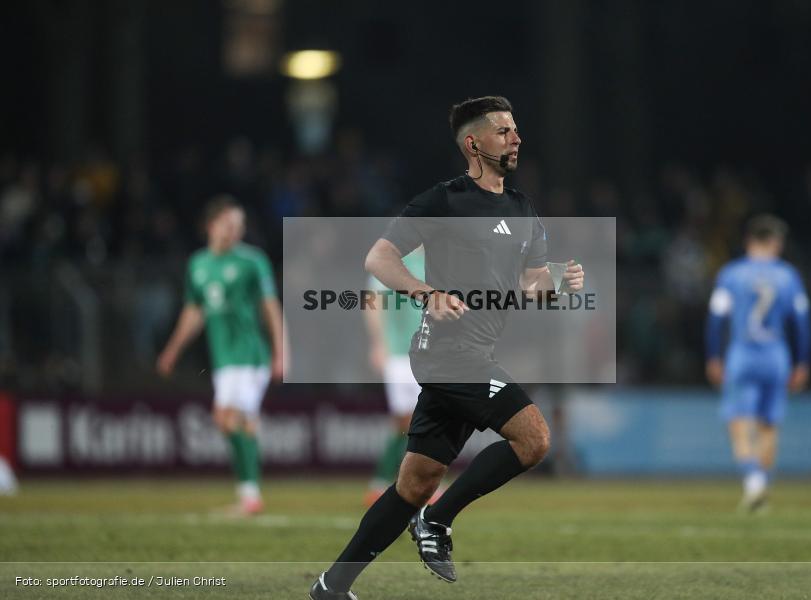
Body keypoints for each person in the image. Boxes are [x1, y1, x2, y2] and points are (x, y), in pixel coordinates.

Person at [310, 96, 584, 599]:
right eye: (504, 131)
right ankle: (435, 522)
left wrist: (561, 283)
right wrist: (426, 292)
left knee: (413, 484)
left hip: (476, 352)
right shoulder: (444, 200)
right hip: (447, 354)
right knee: (535, 439)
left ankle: (332, 586)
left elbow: (530, 284)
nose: (516, 138)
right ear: (473, 144)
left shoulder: (523, 209)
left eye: (516, 130)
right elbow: (379, 257)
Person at [157, 196, 285, 516]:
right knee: (236, 423)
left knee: (228, 418)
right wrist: (173, 349)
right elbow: (195, 311)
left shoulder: (252, 262)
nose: (235, 231)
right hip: (223, 359)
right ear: (211, 225)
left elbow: (270, 308)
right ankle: (249, 494)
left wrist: (281, 353)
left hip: (250, 354)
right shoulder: (197, 264)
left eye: (239, 226)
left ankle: (250, 496)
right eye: (229, 224)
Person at [705, 214, 811, 513]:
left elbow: (716, 320)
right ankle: (762, 487)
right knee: (769, 426)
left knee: (739, 425)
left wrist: (713, 355)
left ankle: (753, 482)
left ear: (749, 240)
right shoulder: (788, 275)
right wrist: (803, 361)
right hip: (777, 355)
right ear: (775, 242)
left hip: (743, 354)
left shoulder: (732, 274)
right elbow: (802, 324)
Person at [363, 245, 444, 506]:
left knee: (423, 419)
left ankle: (414, 482)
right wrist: (378, 343)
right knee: (405, 421)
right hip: (399, 354)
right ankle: (390, 482)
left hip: (427, 354)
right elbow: (372, 301)